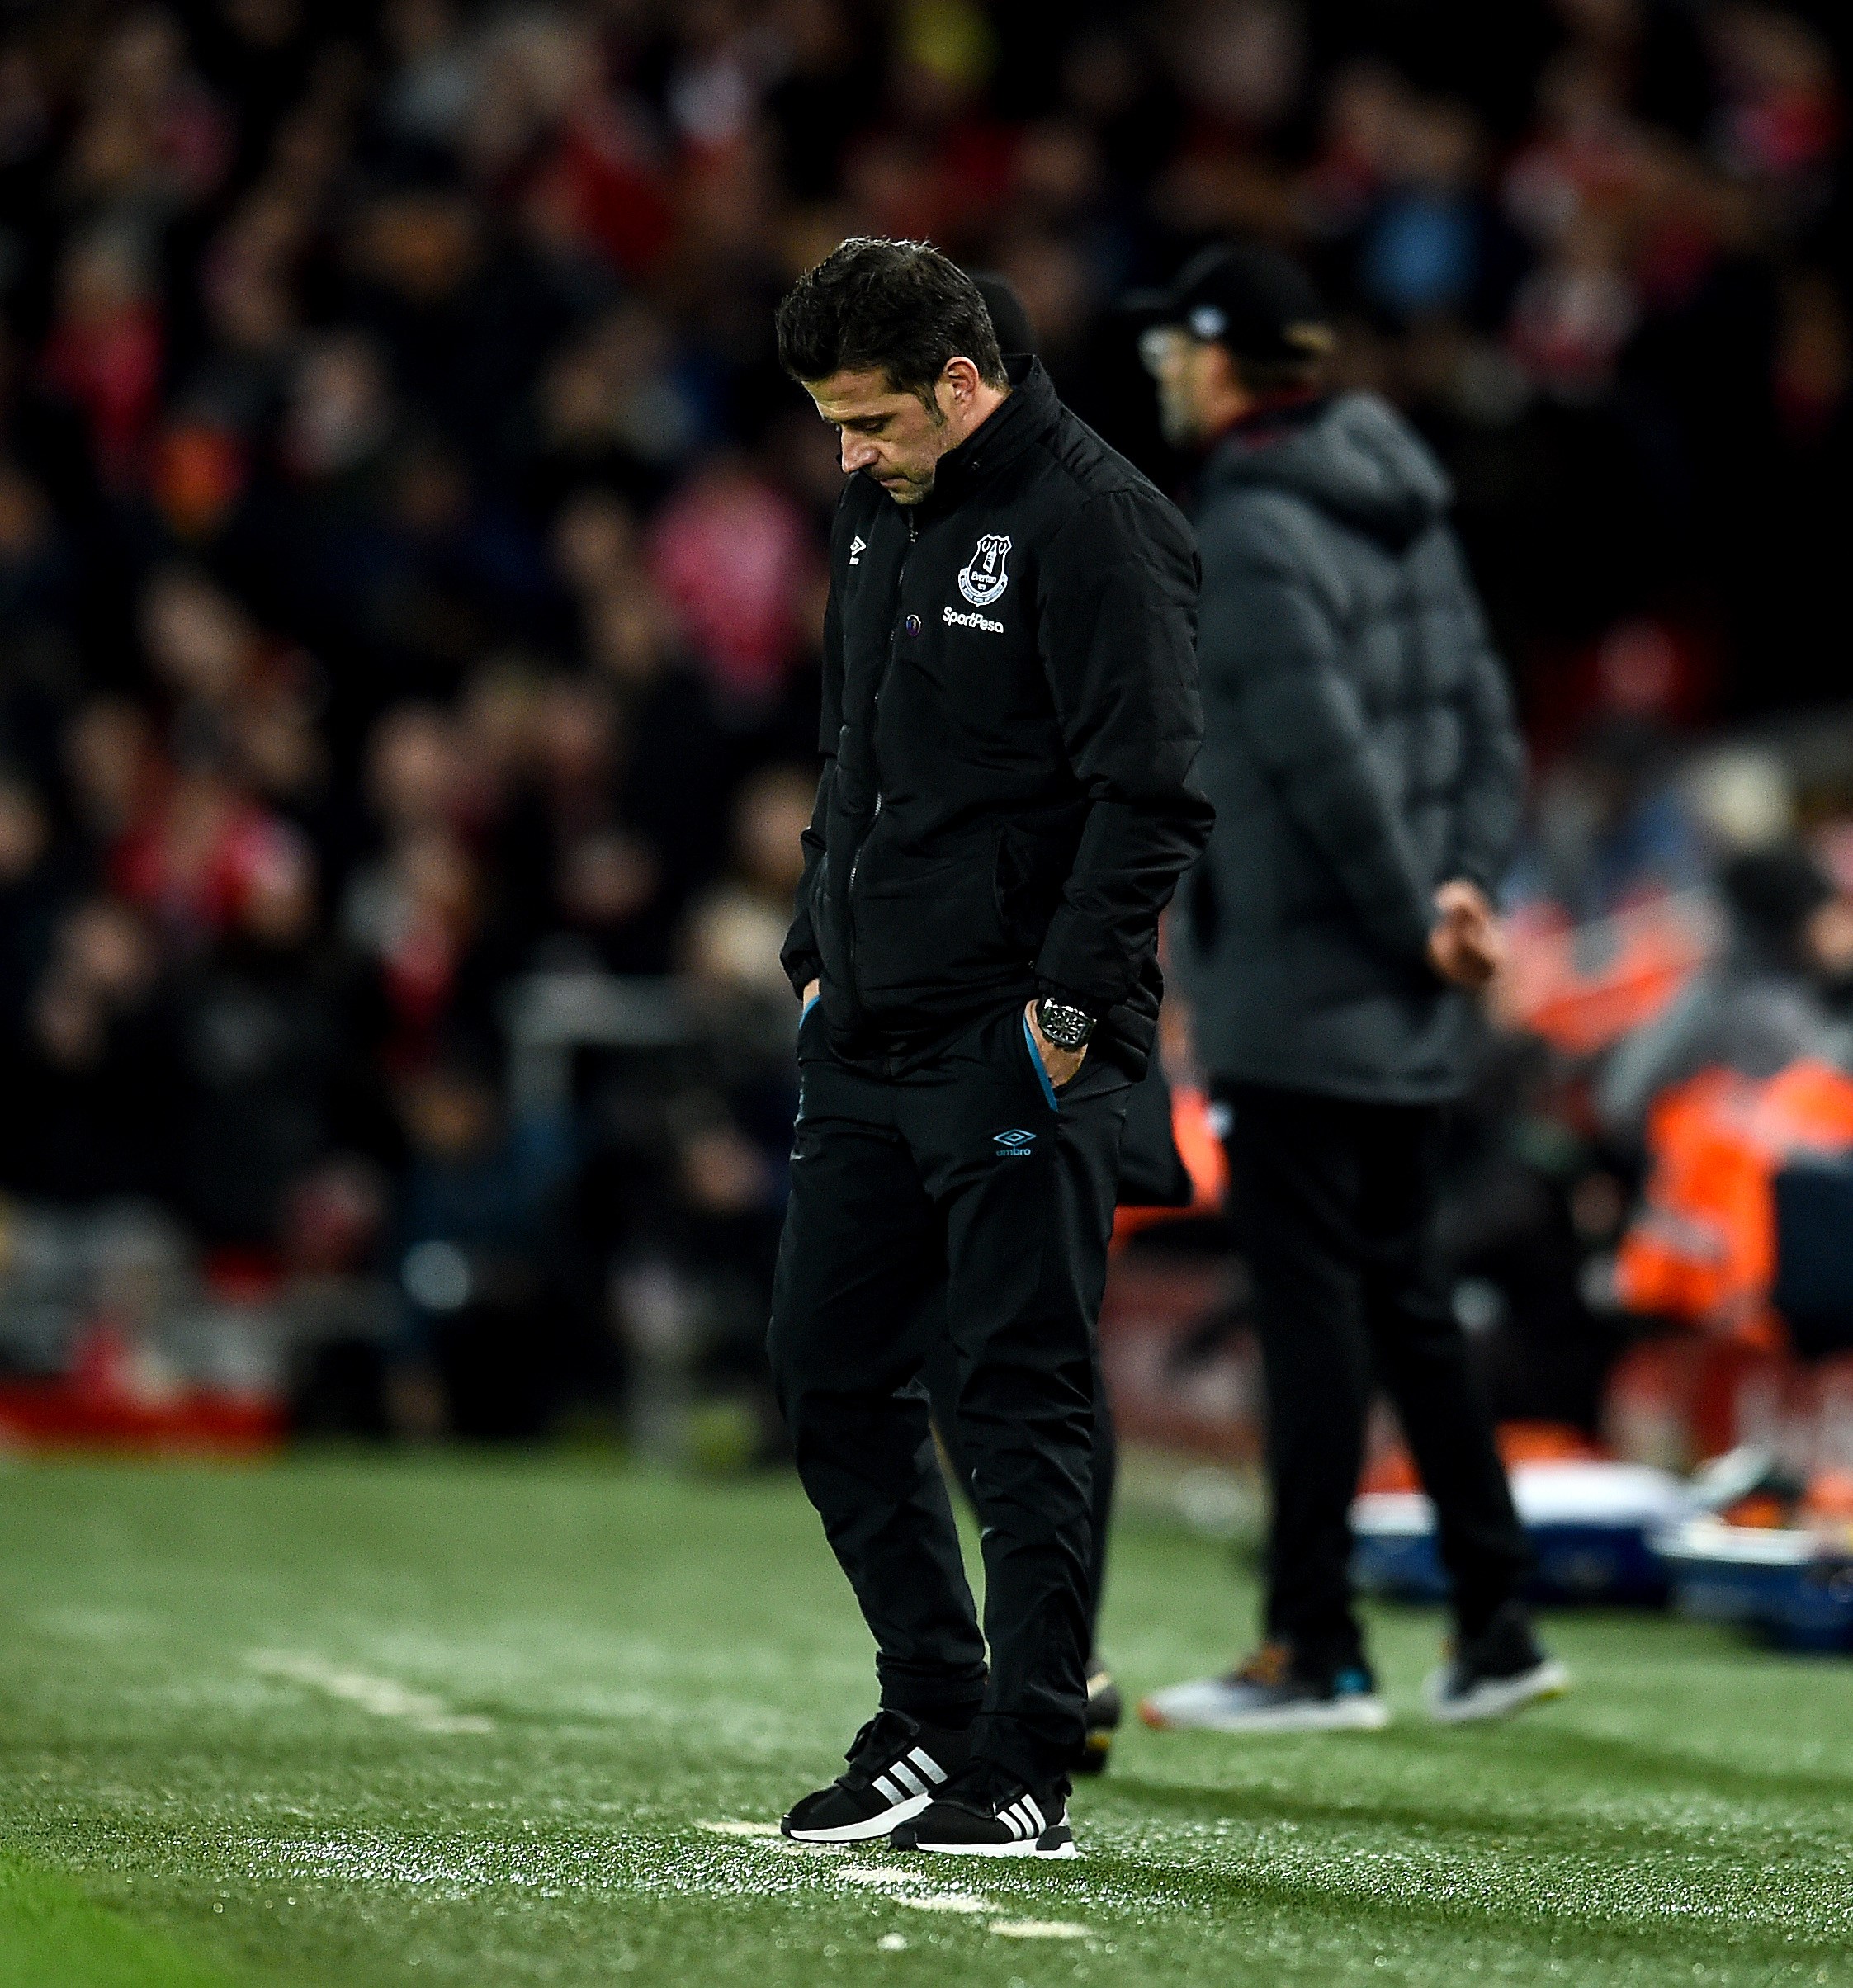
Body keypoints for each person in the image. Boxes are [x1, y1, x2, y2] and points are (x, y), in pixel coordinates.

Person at [767, 237, 1210, 1855]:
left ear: (964, 381)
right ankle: (930, 1701)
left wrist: (1066, 1014)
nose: (848, 454)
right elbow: (853, 747)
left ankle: (1025, 1753)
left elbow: (1149, 793)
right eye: (832, 424)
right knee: (827, 1372)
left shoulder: (1100, 525)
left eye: (870, 419)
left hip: (1015, 1037)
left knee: (1015, 1395)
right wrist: (815, 949)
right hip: (869, 1026)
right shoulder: (884, 509)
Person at [1132, 243, 1567, 1732]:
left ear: (1224, 360)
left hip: (1306, 982)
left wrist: (1404, 914)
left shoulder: (1248, 523)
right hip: (1408, 982)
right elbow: (1481, 725)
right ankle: (1495, 1622)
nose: (1161, 378)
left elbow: (1315, 756)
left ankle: (1313, 1643)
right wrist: (1459, 900)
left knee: (1309, 1307)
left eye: (1174, 353)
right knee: (1404, 1298)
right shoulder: (1407, 503)